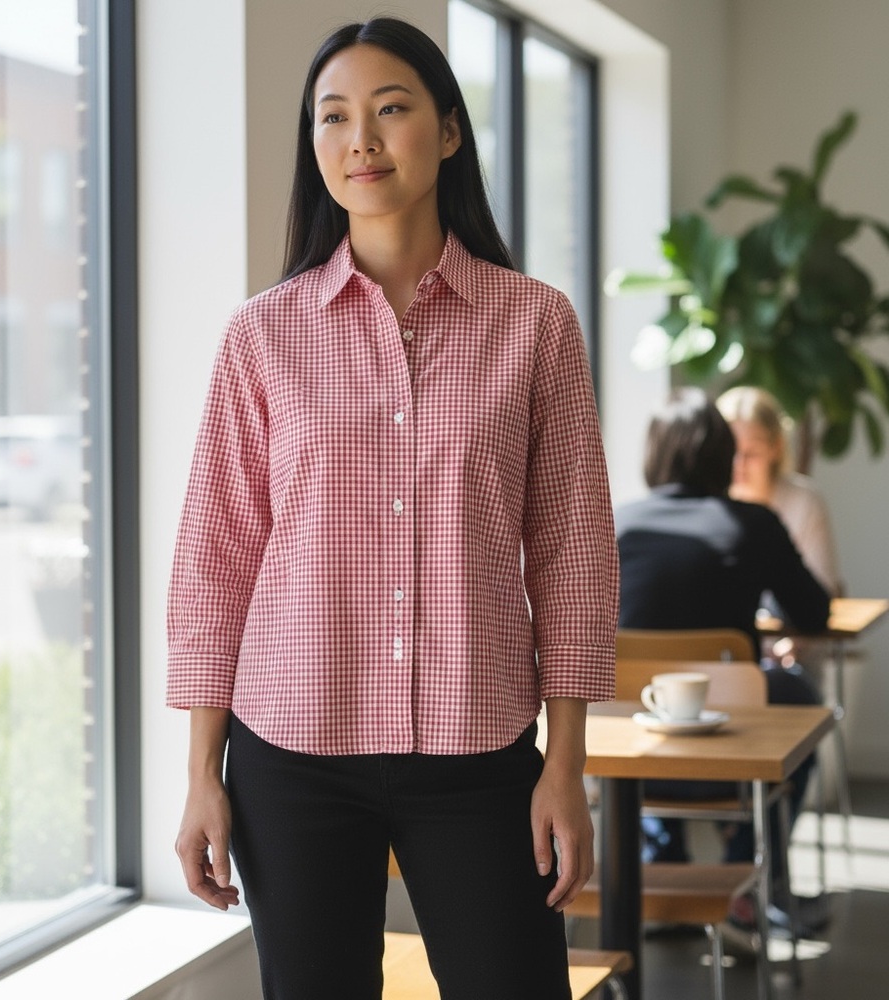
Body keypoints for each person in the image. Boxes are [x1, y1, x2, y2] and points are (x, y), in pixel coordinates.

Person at [167, 17, 618, 1000]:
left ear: (448, 132)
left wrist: (564, 764)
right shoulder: (261, 336)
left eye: (390, 109)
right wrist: (204, 772)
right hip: (290, 754)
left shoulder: (535, 324)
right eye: (333, 118)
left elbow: (573, 554)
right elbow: (216, 559)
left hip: (480, 749)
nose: (359, 140)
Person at [615, 388, 830, 927]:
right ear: (722, 458)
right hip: (730, 748)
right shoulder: (753, 523)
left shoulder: (616, 522)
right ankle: (744, 879)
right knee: (801, 699)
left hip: (630, 753)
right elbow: (815, 612)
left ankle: (660, 863)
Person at [716, 385, 842, 598]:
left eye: (752, 452)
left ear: (776, 447)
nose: (739, 464)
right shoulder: (709, 506)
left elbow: (822, 594)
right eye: (730, 451)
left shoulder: (804, 502)